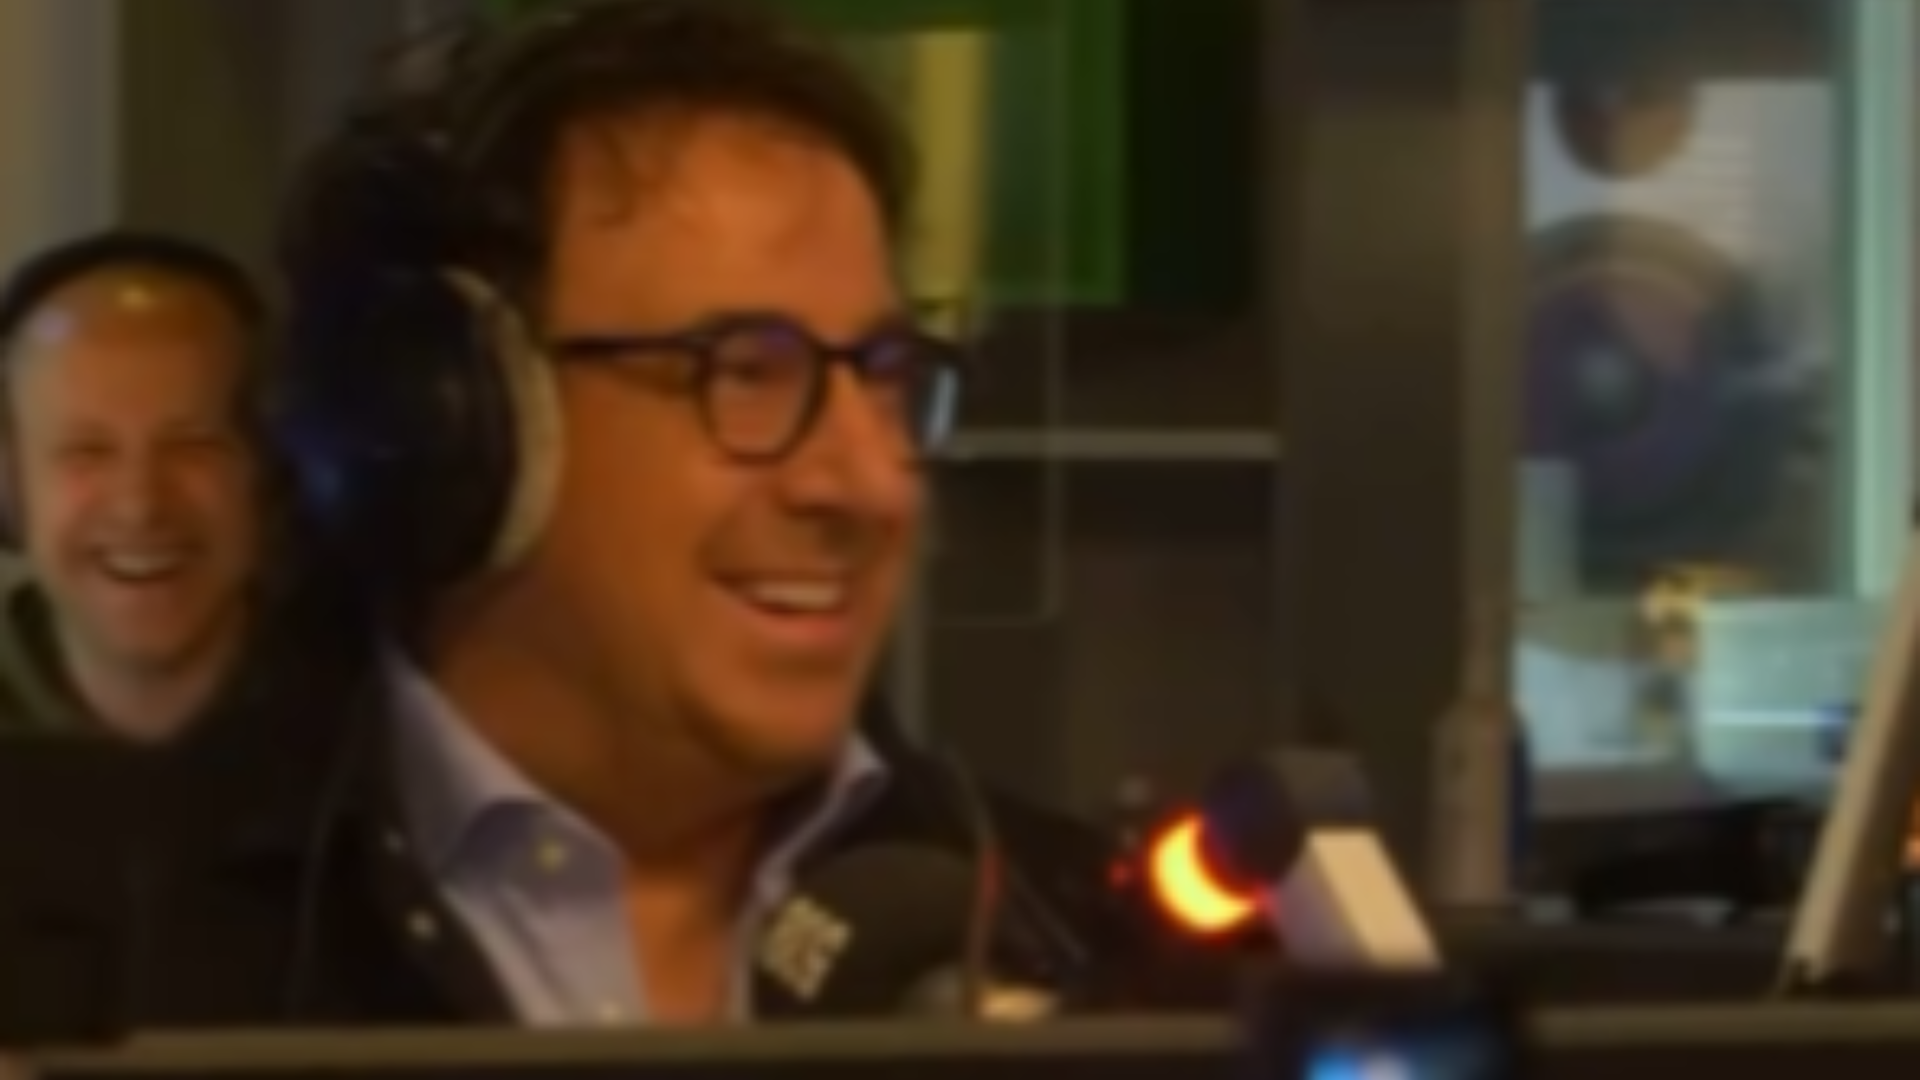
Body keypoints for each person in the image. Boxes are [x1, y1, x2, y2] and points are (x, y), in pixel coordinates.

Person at [0, 0, 1138, 1033]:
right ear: (458, 422)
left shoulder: (1085, 946)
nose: (865, 484)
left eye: (884, 373)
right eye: (746, 370)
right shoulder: (97, 953)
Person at [0, 232, 269, 743]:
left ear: (266, 472)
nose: (139, 504)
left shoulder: (390, 730)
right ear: (10, 489)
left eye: (191, 445)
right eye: (87, 452)